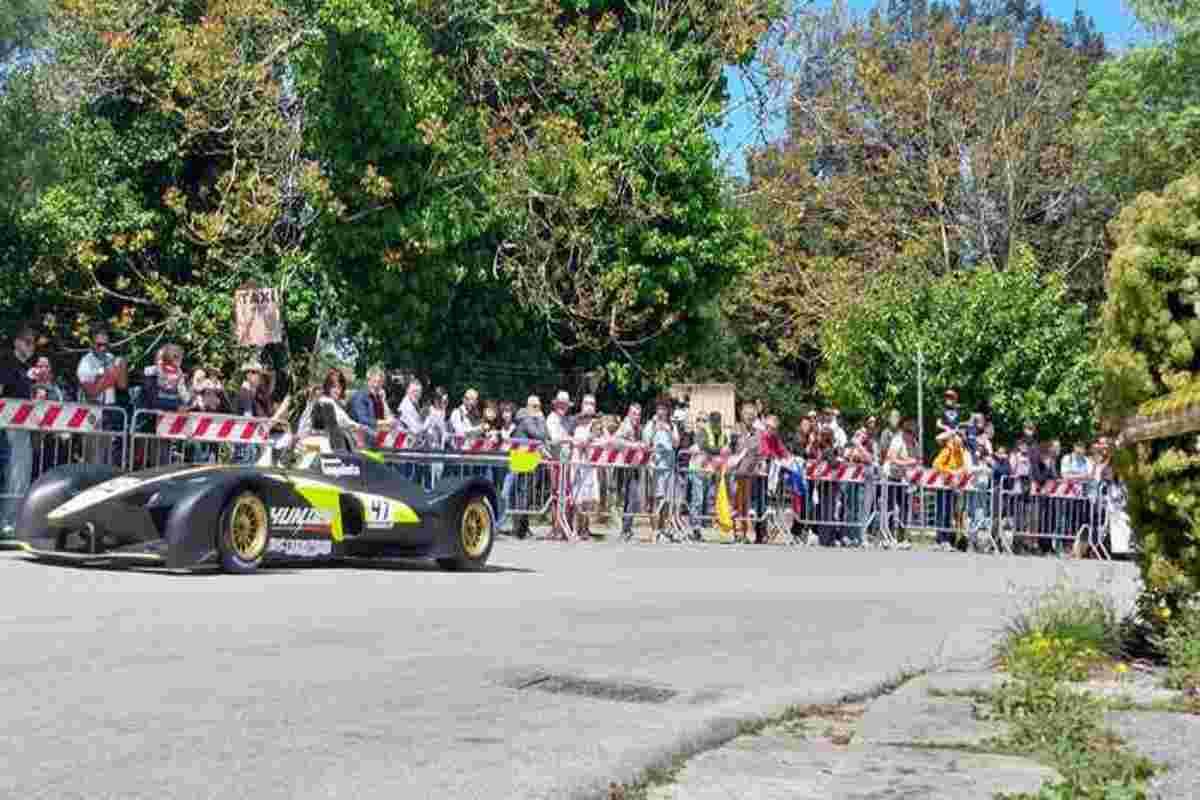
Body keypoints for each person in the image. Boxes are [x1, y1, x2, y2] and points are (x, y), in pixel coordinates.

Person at [0, 324, 36, 528]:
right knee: (15, 474)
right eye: (27, 342)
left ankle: (12, 520)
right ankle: (7, 521)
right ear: (16, 342)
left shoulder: (25, 368)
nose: (31, 347)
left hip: (22, 428)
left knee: (21, 474)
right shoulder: (7, 362)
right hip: (9, 427)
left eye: (33, 343)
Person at [75, 328, 128, 466]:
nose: (103, 348)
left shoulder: (111, 358)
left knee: (108, 457)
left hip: (110, 411)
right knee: (94, 457)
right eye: (99, 345)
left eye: (106, 345)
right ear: (92, 344)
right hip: (92, 412)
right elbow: (91, 392)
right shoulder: (86, 362)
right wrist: (111, 374)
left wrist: (121, 368)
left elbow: (122, 385)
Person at [643, 397, 681, 541]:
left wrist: (669, 431)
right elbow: (646, 442)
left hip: (669, 466)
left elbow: (676, 443)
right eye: (659, 408)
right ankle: (655, 530)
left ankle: (665, 530)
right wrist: (655, 430)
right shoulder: (651, 424)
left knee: (667, 500)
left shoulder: (671, 425)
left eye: (664, 409)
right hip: (657, 467)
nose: (662, 411)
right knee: (657, 499)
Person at [349, 366, 394, 435]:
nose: (376, 385)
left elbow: (383, 415)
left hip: (377, 431)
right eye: (374, 381)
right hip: (361, 434)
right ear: (368, 381)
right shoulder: (360, 396)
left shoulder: (378, 396)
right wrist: (385, 422)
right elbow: (363, 420)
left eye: (379, 382)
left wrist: (389, 422)